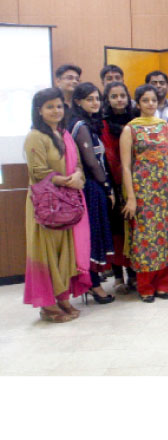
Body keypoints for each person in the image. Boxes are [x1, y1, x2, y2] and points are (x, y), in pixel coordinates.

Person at [23, 88, 91, 322]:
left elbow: (79, 164)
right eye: (50, 106)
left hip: (68, 203)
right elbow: (38, 172)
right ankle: (48, 304)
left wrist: (78, 177)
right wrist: (67, 181)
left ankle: (63, 298)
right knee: (47, 252)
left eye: (59, 106)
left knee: (66, 252)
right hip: (46, 204)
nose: (56, 111)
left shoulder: (65, 134)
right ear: (39, 110)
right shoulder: (35, 137)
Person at [120, 84, 168, 302]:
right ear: (138, 104)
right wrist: (131, 197)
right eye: (145, 100)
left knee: (167, 234)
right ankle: (145, 286)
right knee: (146, 237)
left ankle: (165, 284)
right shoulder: (130, 129)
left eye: (153, 101)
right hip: (143, 189)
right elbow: (126, 166)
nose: (150, 104)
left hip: (165, 188)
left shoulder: (165, 126)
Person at [68, 82, 116, 304]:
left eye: (97, 98)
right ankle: (94, 285)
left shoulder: (89, 123)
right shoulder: (80, 126)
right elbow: (92, 163)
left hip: (94, 187)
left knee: (94, 236)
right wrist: (107, 187)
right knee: (92, 237)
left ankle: (94, 282)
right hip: (90, 189)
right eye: (90, 99)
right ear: (78, 101)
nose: (95, 103)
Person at [100, 81, 137, 293]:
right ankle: (117, 275)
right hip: (112, 183)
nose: (119, 100)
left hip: (133, 181)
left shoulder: (135, 120)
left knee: (131, 227)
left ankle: (132, 273)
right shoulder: (102, 123)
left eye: (122, 95)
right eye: (114, 96)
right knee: (115, 230)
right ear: (108, 100)